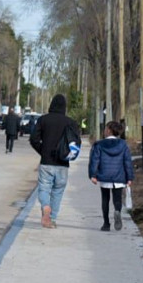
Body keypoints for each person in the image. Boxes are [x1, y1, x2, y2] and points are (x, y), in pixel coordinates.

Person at [29, 93, 81, 228]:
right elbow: (76, 143)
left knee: (44, 188)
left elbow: (33, 139)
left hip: (46, 162)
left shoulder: (43, 120)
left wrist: (43, 151)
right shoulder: (71, 122)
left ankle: (45, 207)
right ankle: (51, 219)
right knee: (58, 191)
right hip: (63, 163)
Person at [89, 120, 135, 231]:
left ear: (109, 130)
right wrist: (129, 177)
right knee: (117, 198)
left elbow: (94, 160)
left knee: (105, 199)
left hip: (105, 176)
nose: (104, 131)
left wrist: (93, 175)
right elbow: (127, 162)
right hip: (119, 177)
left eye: (105, 129)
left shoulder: (99, 144)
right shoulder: (123, 144)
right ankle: (117, 211)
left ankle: (106, 224)